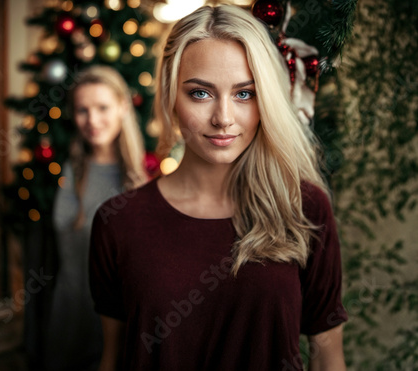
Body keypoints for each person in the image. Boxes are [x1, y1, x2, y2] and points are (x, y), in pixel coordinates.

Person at [89, 5, 348, 371]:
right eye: (200, 93)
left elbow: (329, 358)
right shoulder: (118, 223)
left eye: (244, 94)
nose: (223, 118)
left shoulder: (304, 208)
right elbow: (114, 359)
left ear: (266, 101)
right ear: (170, 95)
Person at [45, 65, 147, 371]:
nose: (92, 120)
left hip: (113, 328)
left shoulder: (140, 182)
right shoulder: (70, 171)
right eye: (82, 110)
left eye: (102, 107)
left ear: (123, 106)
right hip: (67, 312)